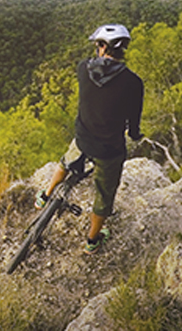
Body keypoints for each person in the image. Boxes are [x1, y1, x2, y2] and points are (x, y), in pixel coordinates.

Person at [35, 24, 144, 254]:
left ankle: (45, 196)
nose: (96, 49)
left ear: (104, 47)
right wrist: (134, 135)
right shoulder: (134, 83)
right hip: (109, 149)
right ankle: (92, 241)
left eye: (98, 45)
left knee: (66, 162)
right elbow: (134, 121)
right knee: (104, 196)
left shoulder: (83, 68)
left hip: (83, 138)